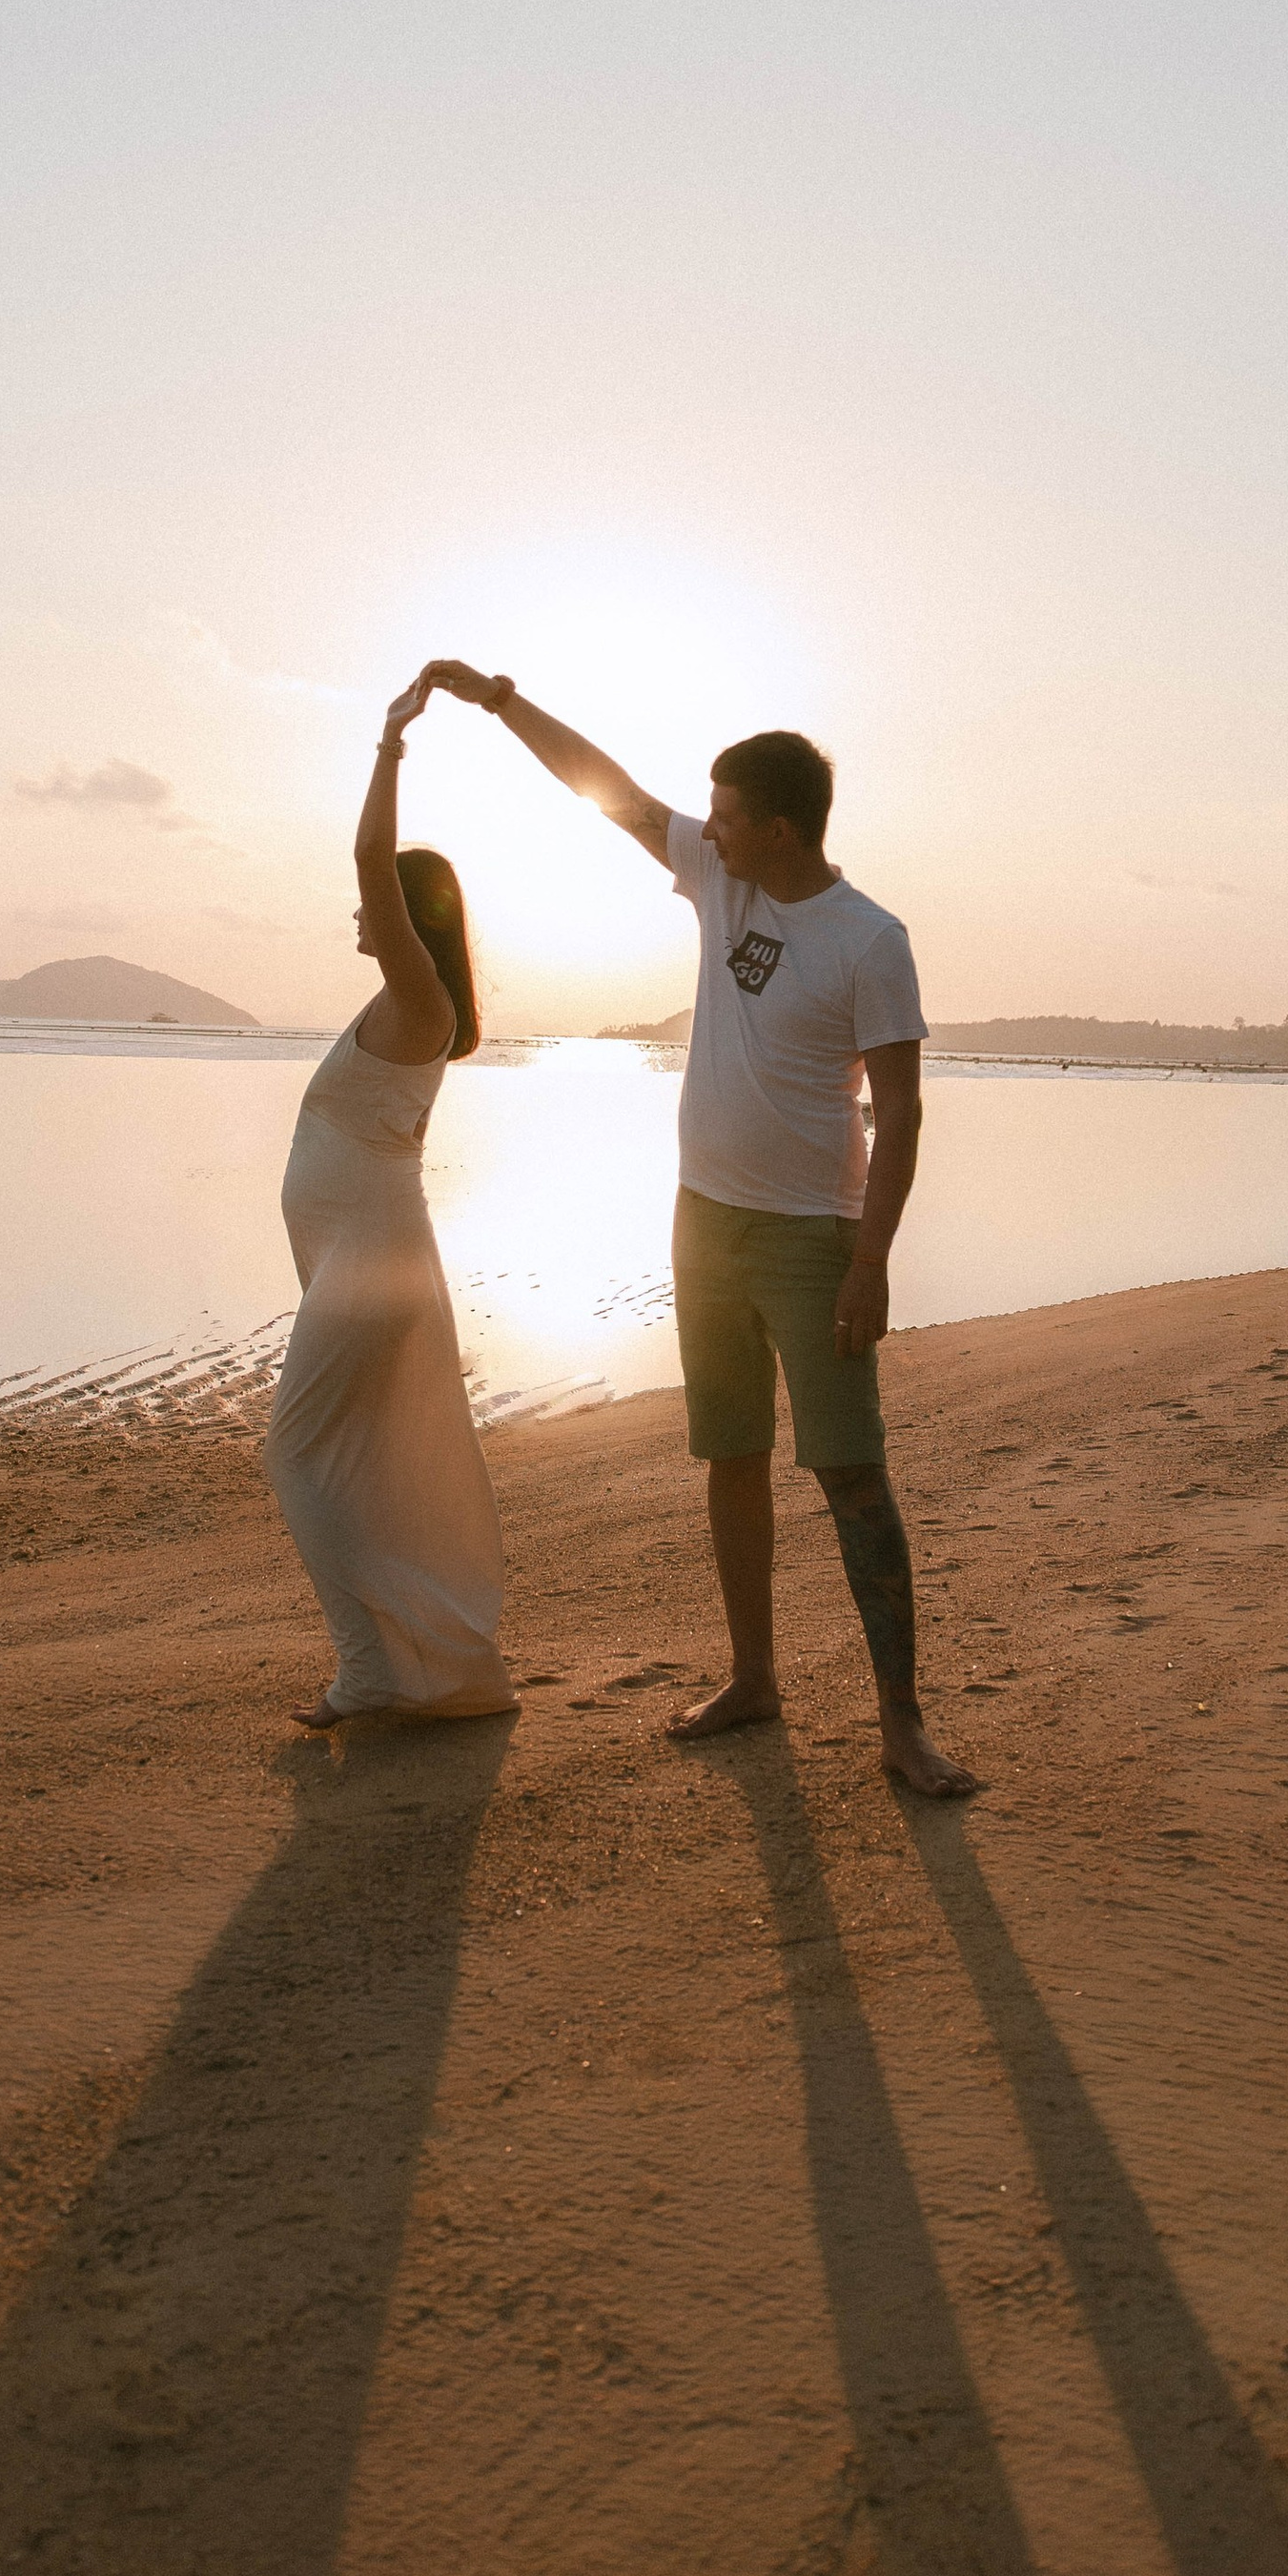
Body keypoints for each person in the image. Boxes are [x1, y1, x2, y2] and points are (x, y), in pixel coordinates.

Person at [421, 663, 971, 1795]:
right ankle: (754, 1677)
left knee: (852, 1478)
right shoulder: (724, 887)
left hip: (812, 1238)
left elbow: (905, 1111)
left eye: (723, 817)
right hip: (700, 1223)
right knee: (731, 1456)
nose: (703, 831)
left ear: (778, 828)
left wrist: (872, 1257)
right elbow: (613, 794)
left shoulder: (871, 941)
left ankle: (902, 1724)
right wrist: (501, 701)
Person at [265, 674, 516, 1728]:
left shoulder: (420, 998)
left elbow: (370, 860)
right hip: (351, 1255)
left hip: (372, 1259)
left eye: (376, 906)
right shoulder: (397, 1001)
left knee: (294, 1448)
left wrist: (390, 745)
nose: (357, 914)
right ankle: (415, 1666)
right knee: (354, 1464)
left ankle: (369, 1669)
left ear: (403, 918)